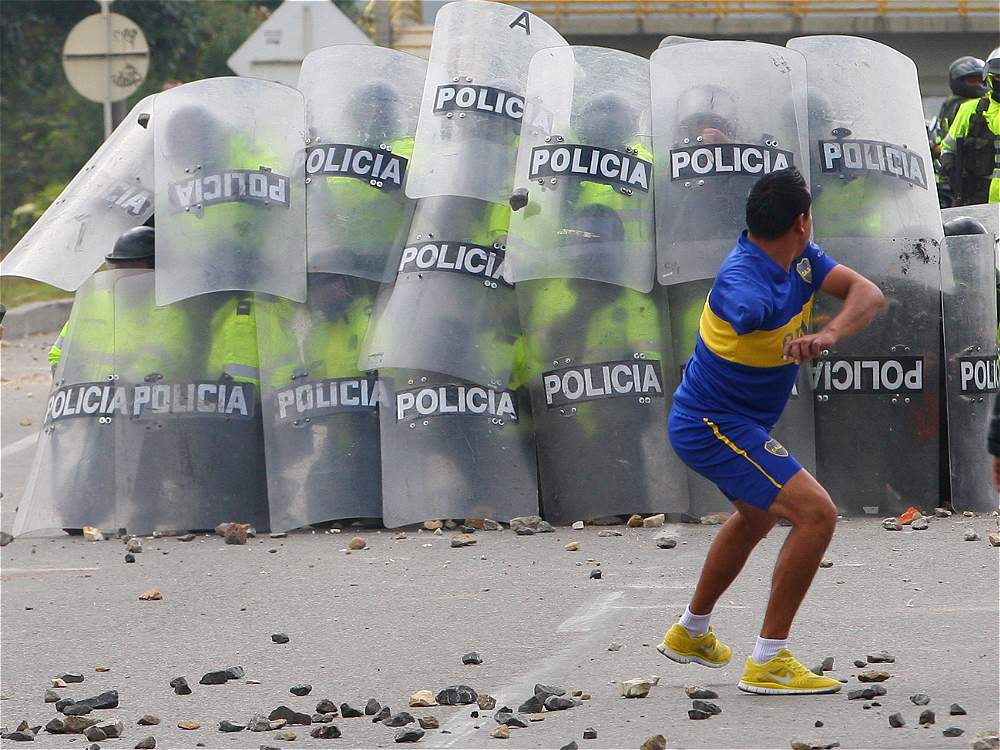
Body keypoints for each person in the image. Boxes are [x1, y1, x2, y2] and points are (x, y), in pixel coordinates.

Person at [660, 168, 885, 695]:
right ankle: (769, 659)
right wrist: (755, 318)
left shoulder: (803, 258)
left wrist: (825, 333)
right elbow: (738, 305)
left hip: (735, 422)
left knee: (757, 519)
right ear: (802, 221)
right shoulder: (743, 278)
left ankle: (691, 632)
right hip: (710, 424)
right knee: (816, 513)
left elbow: (867, 294)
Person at [940, 49, 1000, 206]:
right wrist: (954, 175)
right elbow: (948, 148)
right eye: (999, 78)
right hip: (976, 201)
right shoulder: (970, 109)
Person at [933, 56, 986, 205]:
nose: (977, 84)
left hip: (956, 174)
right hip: (960, 175)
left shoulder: (950, 103)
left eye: (980, 80)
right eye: (971, 80)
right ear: (958, 81)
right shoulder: (969, 107)